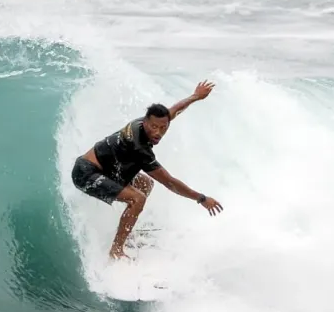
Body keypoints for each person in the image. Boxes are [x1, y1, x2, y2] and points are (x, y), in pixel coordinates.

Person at [71, 80, 224, 260]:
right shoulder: (139, 147)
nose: (158, 133)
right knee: (137, 198)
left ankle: (126, 232)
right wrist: (202, 198)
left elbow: (172, 111)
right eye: (154, 127)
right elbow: (170, 183)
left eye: (163, 128)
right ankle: (116, 250)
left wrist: (195, 96)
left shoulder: (148, 123)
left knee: (145, 183)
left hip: (108, 170)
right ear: (145, 122)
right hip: (86, 173)